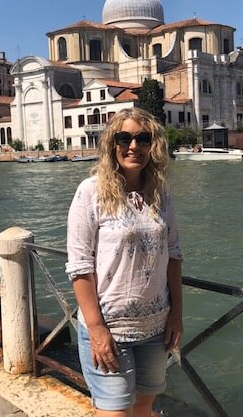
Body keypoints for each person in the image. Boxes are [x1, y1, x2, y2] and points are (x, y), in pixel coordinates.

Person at [66, 108, 183, 417]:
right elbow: (79, 266)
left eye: (143, 139)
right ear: (112, 144)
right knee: (115, 412)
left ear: (153, 145)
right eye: (124, 138)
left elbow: (174, 255)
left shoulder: (160, 194)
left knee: (144, 406)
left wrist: (177, 315)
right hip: (109, 327)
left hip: (156, 327)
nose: (134, 146)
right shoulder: (90, 192)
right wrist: (96, 328)